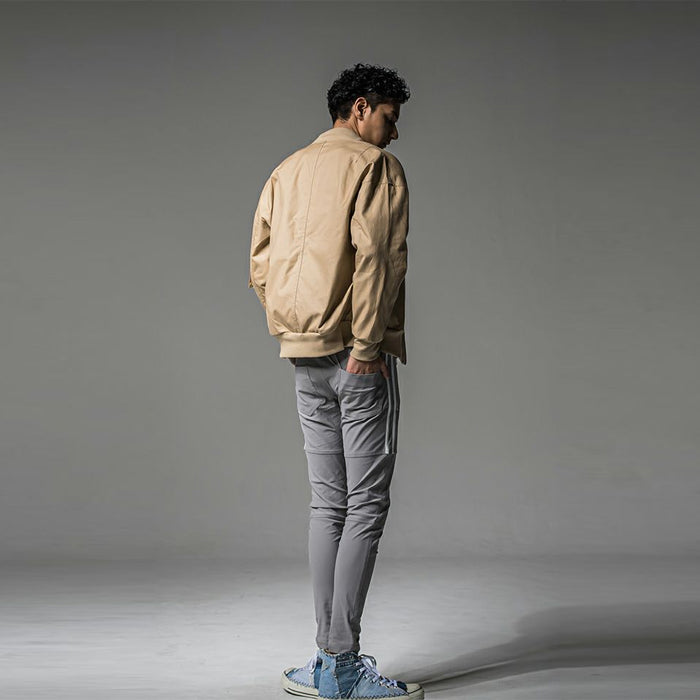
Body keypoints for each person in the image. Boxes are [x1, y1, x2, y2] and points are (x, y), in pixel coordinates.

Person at [248, 62, 423, 699]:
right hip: (357, 356)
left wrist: (295, 328)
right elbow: (379, 260)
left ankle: (325, 661)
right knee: (365, 507)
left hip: (304, 357)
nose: (394, 133)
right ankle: (342, 668)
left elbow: (260, 262)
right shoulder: (375, 168)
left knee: (327, 505)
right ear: (360, 108)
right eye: (389, 118)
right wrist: (367, 346)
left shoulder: (286, 169)